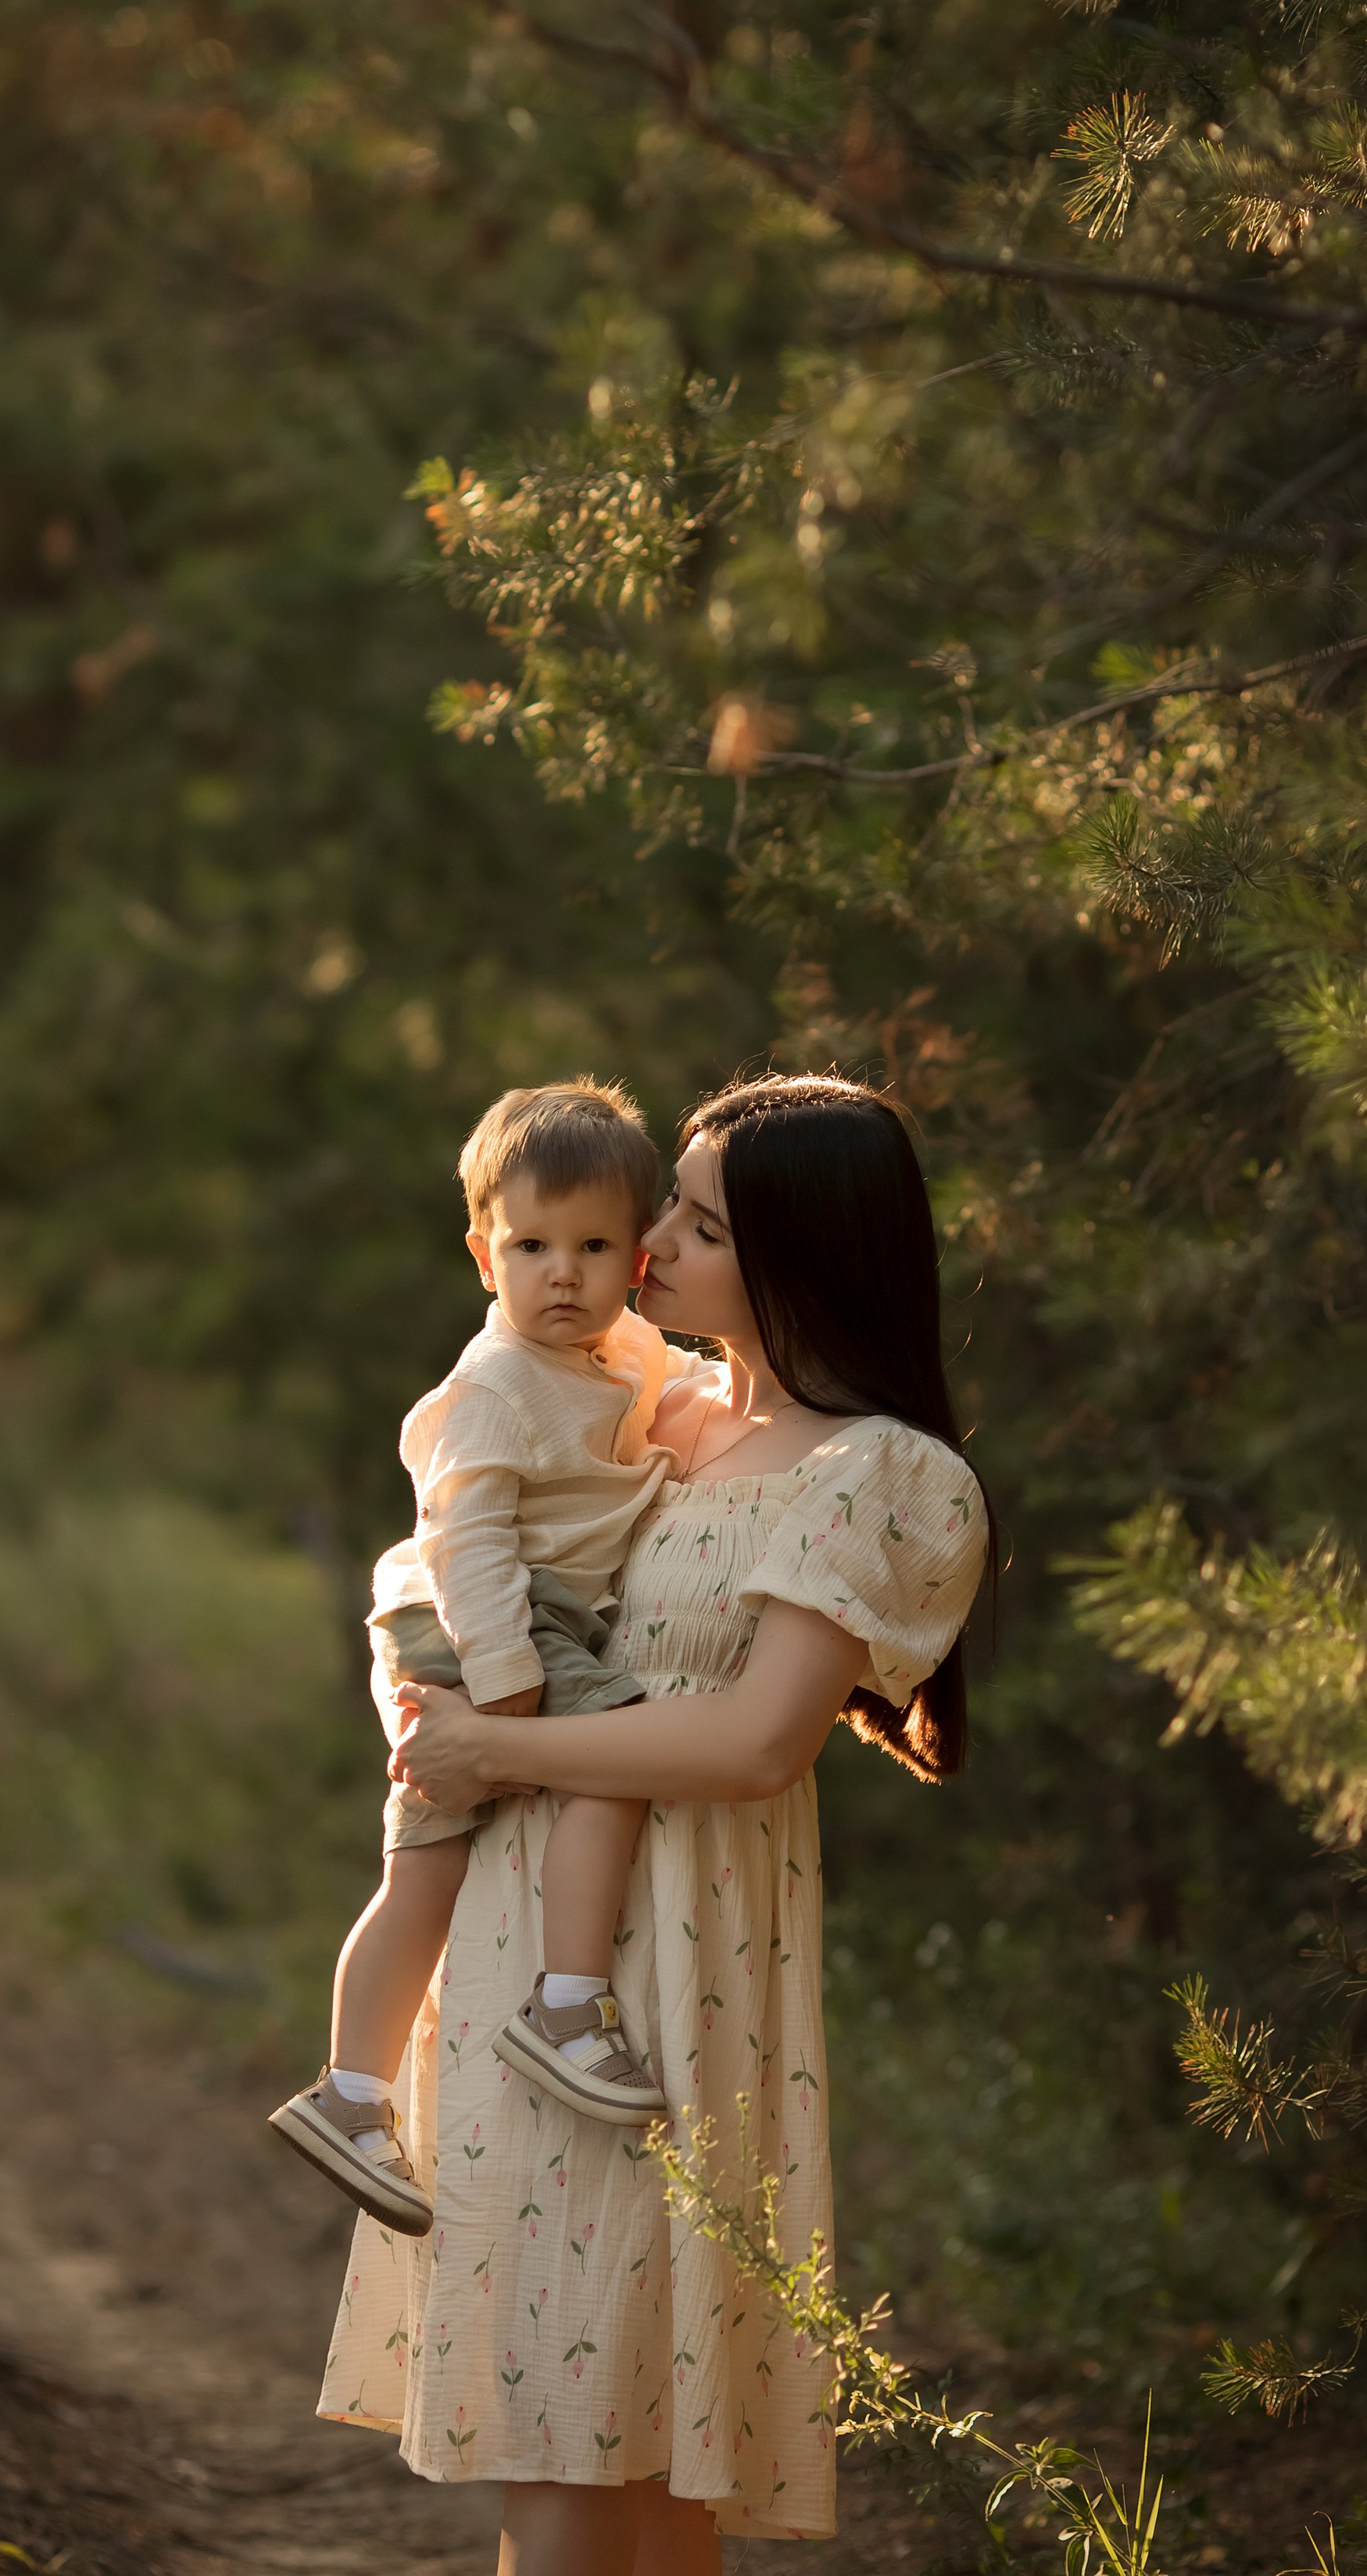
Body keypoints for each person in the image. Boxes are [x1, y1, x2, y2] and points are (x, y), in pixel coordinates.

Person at [316, 1072, 993, 2572]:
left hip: (682, 1972)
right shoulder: (653, 1419)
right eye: (665, 1217)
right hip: (527, 1949)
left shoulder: (873, 1472)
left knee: (646, 2427)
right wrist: (432, 1721)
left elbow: (758, 1744)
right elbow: (440, 1565)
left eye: (692, 1224)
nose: (646, 1252)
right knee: (569, 2417)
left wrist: (493, 1738)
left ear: (800, 1254)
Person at [270, 1081, 689, 2238]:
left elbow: (688, 1394)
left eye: (594, 1246)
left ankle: (349, 2095)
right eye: (531, 1245)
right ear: (482, 1253)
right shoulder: (495, 1385)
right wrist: (504, 1677)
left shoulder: (628, 1354)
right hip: (478, 1614)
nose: (563, 1274)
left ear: (637, 1259)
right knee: (613, 1754)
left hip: (498, 1612)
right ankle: (567, 2004)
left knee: (432, 1862)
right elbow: (464, 1536)